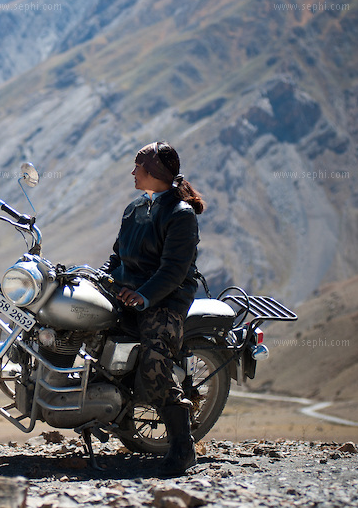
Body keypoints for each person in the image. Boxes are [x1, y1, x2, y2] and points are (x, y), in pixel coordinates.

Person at [101, 141, 206, 477]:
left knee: (155, 361)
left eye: (138, 166)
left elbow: (173, 271)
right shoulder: (134, 208)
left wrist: (143, 296)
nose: (133, 172)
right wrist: (102, 277)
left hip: (165, 299)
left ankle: (182, 446)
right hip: (126, 291)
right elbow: (117, 255)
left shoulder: (180, 215)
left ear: (155, 172)